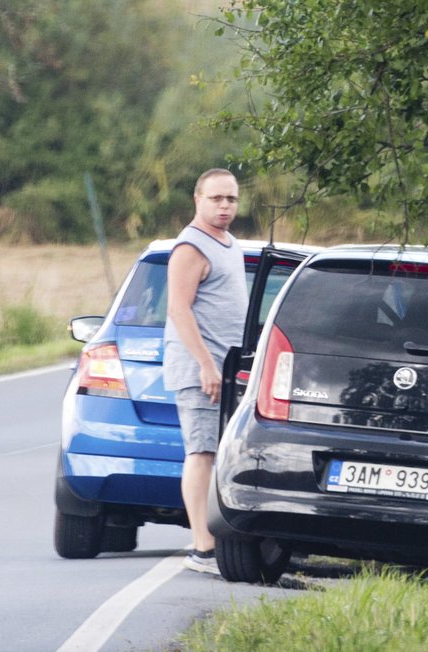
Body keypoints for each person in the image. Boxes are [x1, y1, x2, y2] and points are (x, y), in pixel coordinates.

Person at [163, 168, 248, 575]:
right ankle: (202, 548)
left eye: (230, 198)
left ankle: (220, 537)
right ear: (198, 199)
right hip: (202, 370)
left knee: (219, 455)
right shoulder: (191, 247)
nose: (224, 206)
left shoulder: (229, 244)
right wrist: (206, 365)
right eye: (216, 198)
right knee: (200, 453)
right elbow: (179, 309)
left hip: (226, 371)